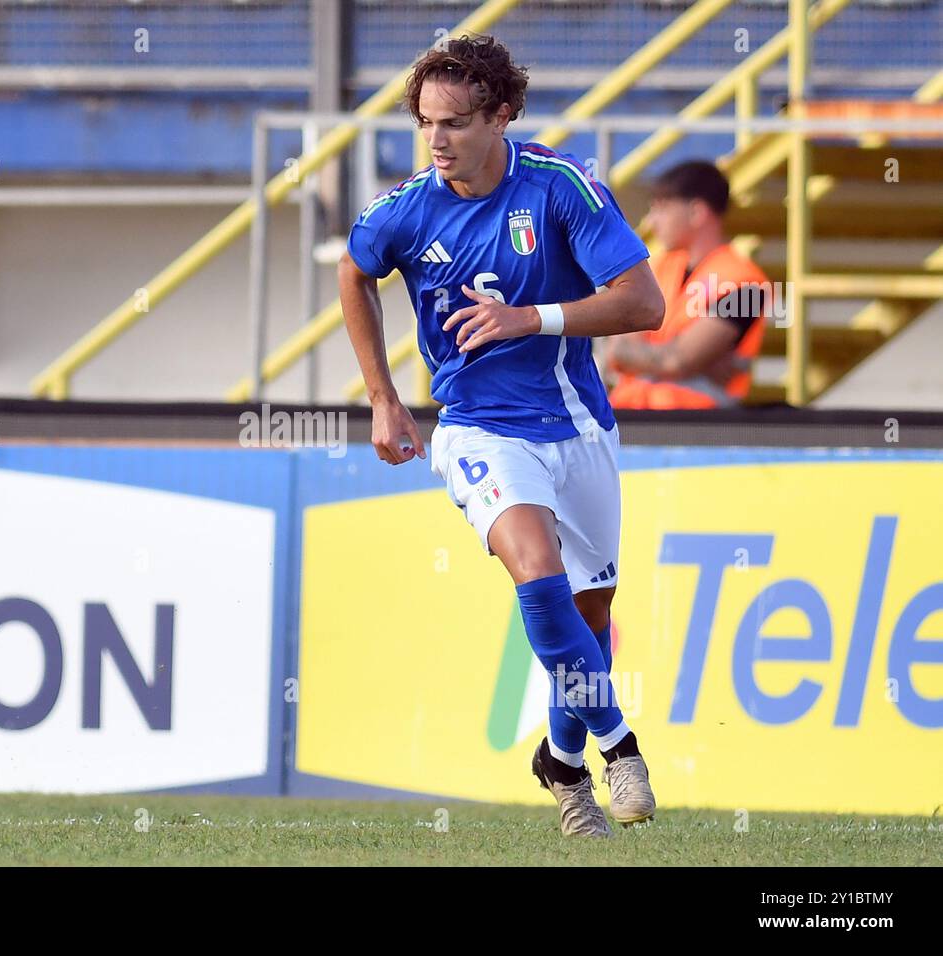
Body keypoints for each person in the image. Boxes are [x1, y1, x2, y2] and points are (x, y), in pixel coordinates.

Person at [337, 33, 663, 837]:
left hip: (579, 427)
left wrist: (532, 317)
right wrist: (383, 397)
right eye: (425, 123)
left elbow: (645, 305)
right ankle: (620, 748)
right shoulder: (407, 210)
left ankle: (558, 758)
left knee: (586, 621)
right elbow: (353, 270)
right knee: (537, 570)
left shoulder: (561, 188)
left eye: (454, 122)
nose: (437, 141)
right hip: (480, 430)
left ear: (503, 114)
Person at [606, 160, 771, 409]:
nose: (652, 221)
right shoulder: (657, 267)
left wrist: (644, 353)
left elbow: (678, 361)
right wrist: (679, 358)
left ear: (696, 212)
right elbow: (616, 350)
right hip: (631, 418)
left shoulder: (746, 284)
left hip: (699, 429)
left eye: (662, 208)